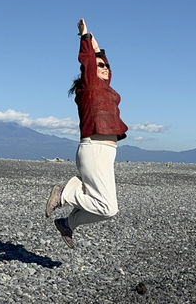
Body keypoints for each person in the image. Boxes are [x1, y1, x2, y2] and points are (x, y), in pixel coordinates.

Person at [45, 18, 128, 248]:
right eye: (100, 66)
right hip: (94, 149)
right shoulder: (90, 86)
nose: (104, 68)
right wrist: (85, 35)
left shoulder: (106, 88)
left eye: (106, 66)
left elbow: (100, 57)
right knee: (107, 206)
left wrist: (97, 47)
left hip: (106, 152)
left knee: (109, 210)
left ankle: (67, 224)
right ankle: (65, 193)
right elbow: (89, 60)